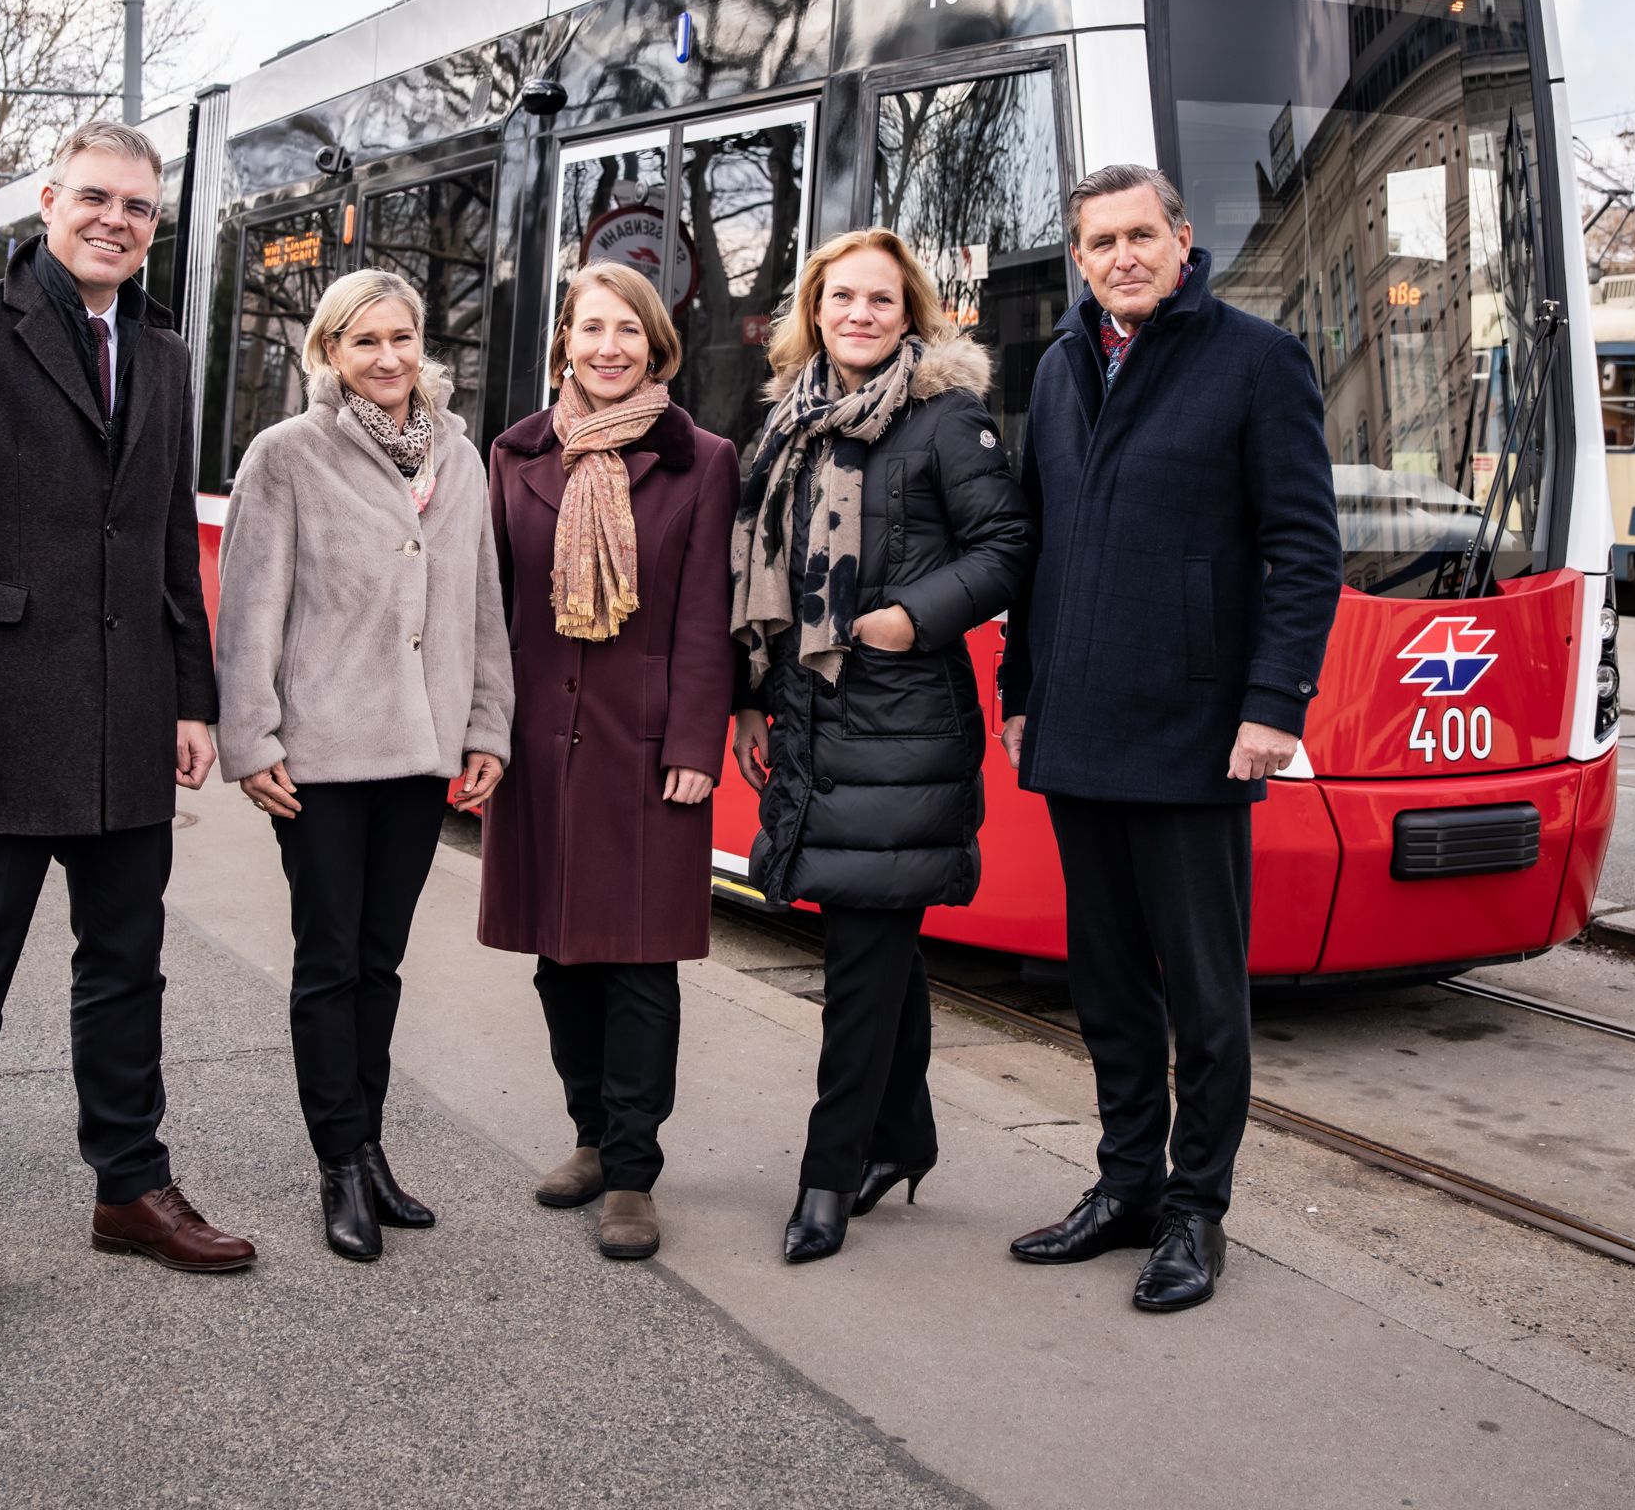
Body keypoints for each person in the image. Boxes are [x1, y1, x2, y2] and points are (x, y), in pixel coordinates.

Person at [0, 118, 250, 1345]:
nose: (116, 221)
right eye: (96, 198)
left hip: (128, 720)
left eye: (139, 209)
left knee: (125, 970)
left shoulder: (164, 355)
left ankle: (130, 1189)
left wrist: (194, 696)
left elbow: (156, 556)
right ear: (47, 201)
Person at [998, 163, 1341, 1315]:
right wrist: (1019, 688)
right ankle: (1126, 1186)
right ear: (1080, 259)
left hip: (1199, 730)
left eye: (1141, 235)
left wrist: (1274, 703)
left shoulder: (1255, 358)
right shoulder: (1057, 366)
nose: (1122, 257)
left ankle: (1199, 1212)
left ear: (1182, 241)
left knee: (1203, 993)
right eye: (1100, 243)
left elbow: (1305, 548)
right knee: (1104, 983)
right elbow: (1036, 543)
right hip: (1079, 725)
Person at [731, 228, 1030, 1266]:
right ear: (813, 310)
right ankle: (903, 1136)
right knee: (879, 944)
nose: (860, 316)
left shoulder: (946, 418)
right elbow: (755, 574)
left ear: (913, 316)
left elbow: (1006, 550)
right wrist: (752, 700)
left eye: (882, 302)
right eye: (842, 299)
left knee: (862, 956)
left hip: (903, 719)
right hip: (814, 717)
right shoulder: (788, 426)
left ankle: (828, 1171)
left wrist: (915, 615)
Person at [213, 267, 512, 1262]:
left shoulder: (458, 458)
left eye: (402, 339)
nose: (388, 359)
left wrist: (486, 728)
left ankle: (372, 1148)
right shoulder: (287, 455)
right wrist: (250, 740)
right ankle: (337, 1162)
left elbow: (480, 605)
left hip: (421, 757)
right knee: (328, 959)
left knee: (380, 963)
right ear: (329, 355)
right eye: (364, 342)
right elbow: (251, 607)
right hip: (323, 757)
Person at [479, 263, 739, 1261]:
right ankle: (588, 1132)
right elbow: (493, 605)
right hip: (540, 743)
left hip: (645, 745)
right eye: (593, 328)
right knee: (558, 961)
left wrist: (693, 746)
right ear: (565, 342)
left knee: (637, 964)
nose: (610, 347)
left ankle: (632, 1171)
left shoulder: (701, 459)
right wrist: (483, 733)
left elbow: (707, 617)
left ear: (655, 347)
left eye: (629, 331)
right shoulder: (514, 454)